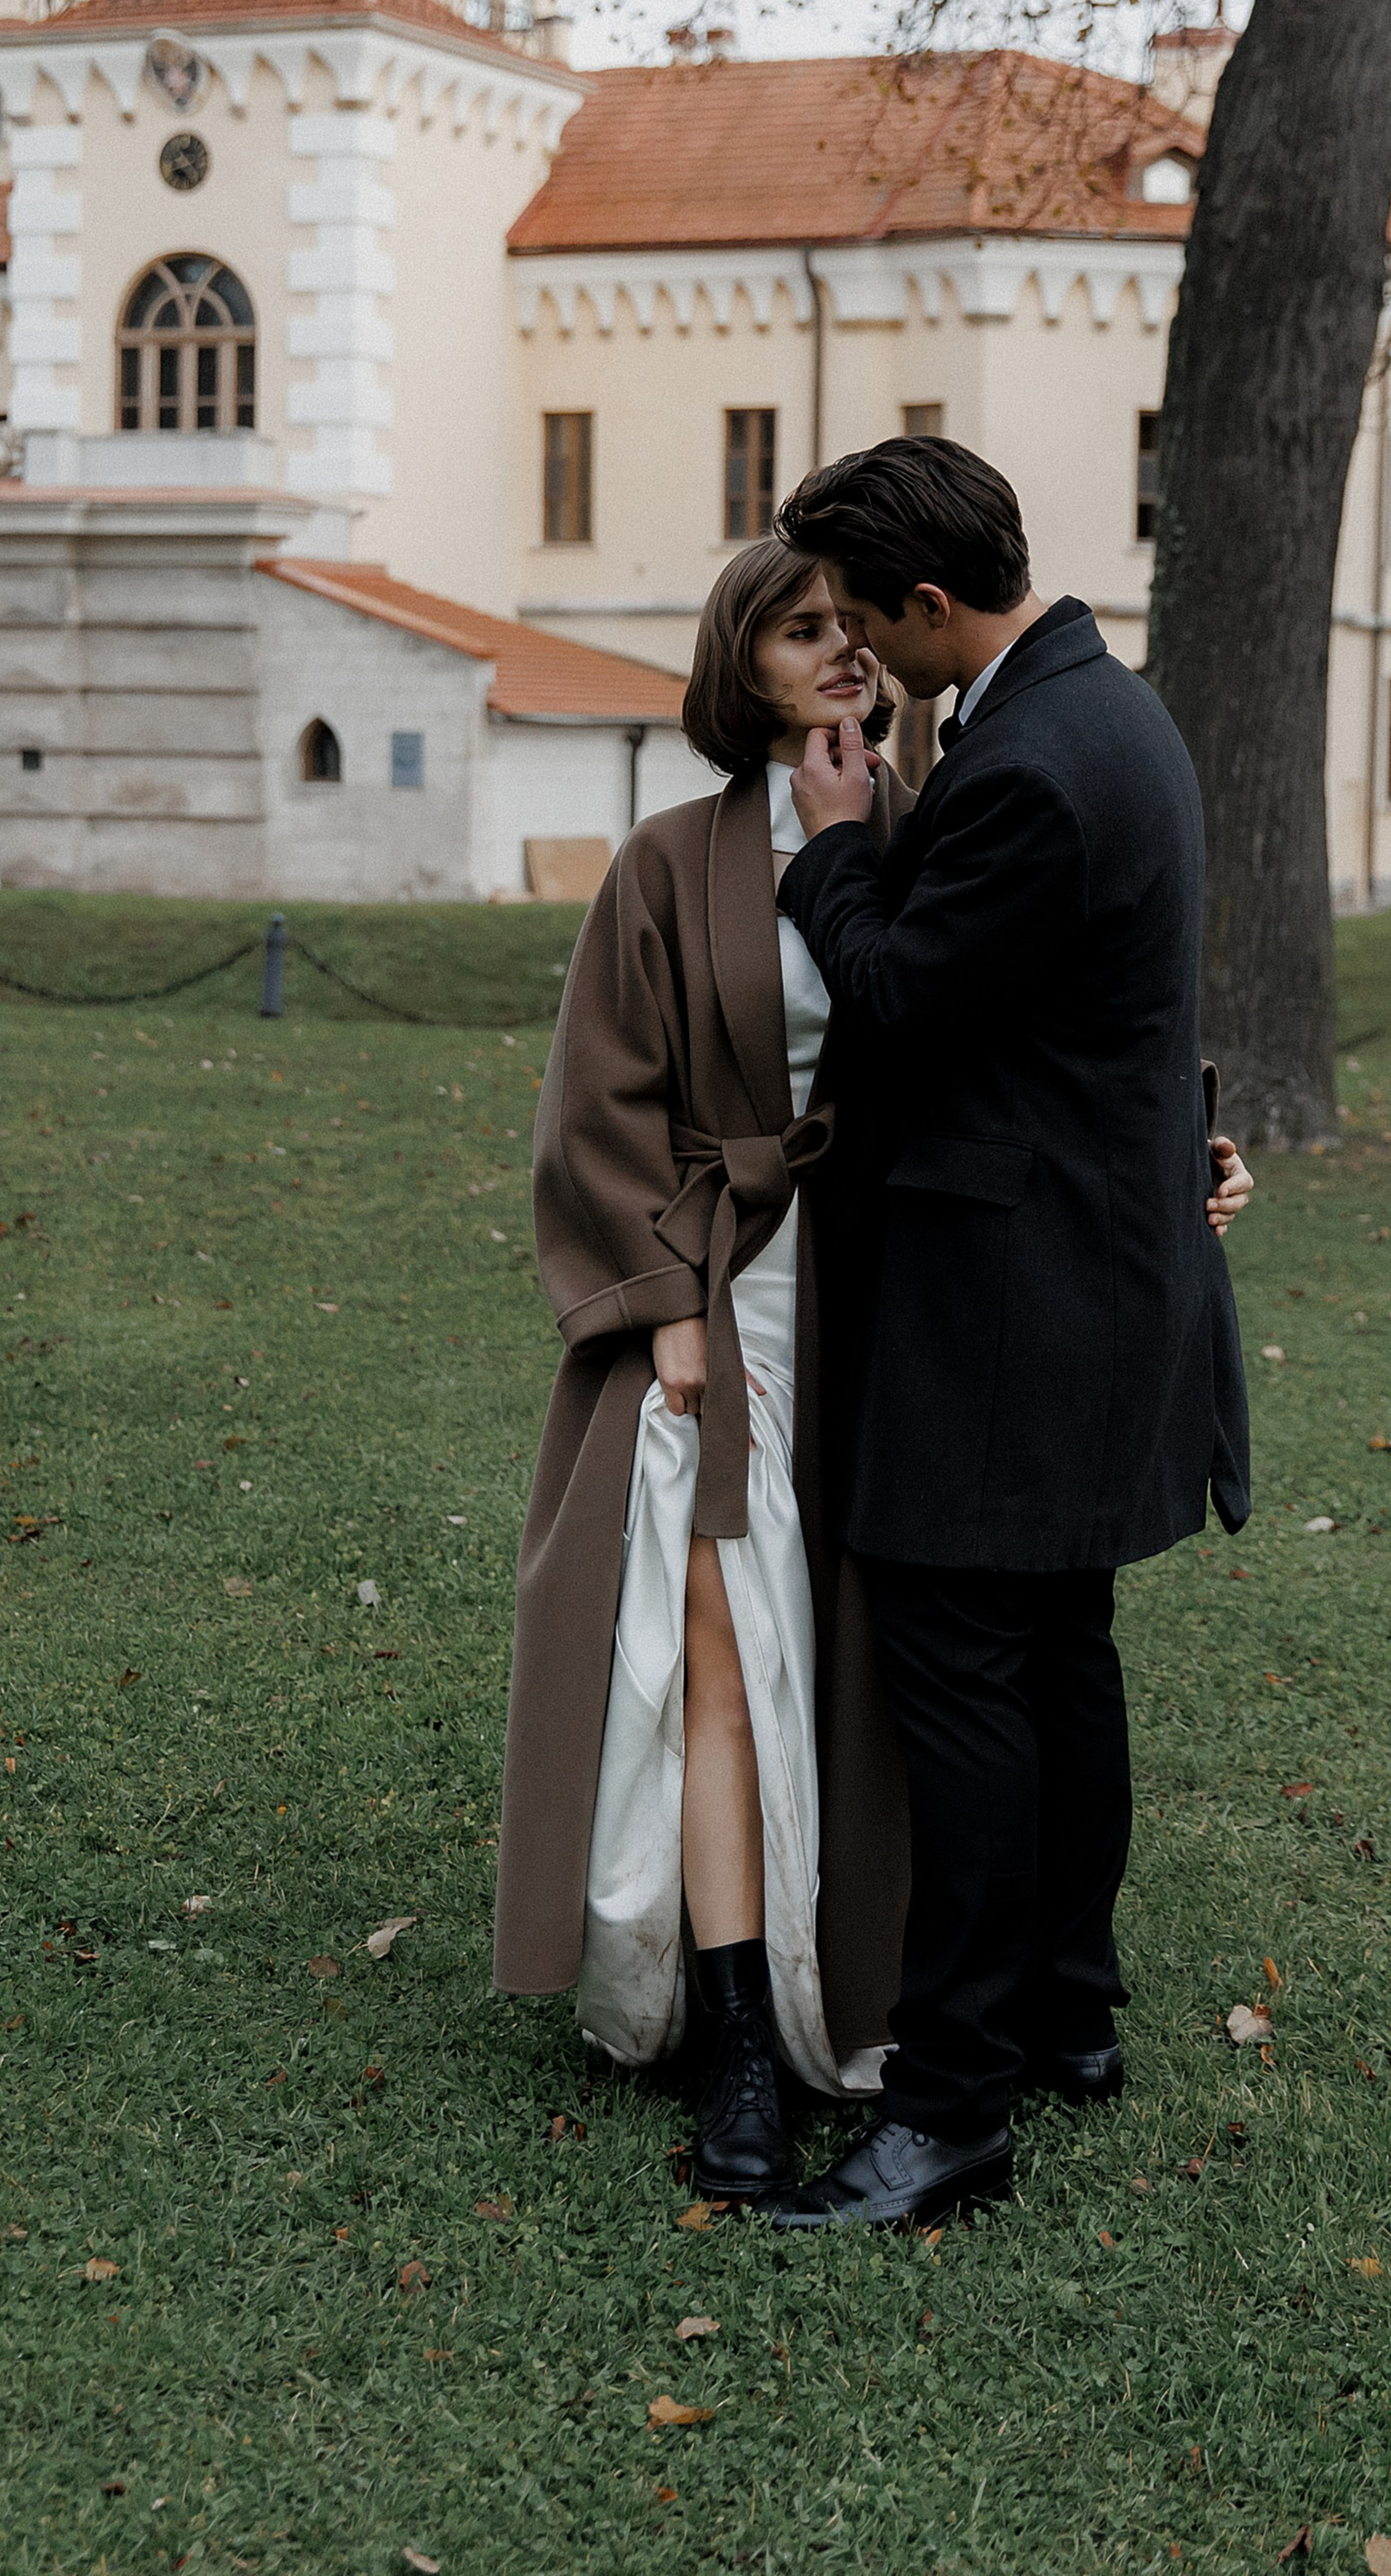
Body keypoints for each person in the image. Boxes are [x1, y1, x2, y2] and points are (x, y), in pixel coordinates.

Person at [762, 433, 1255, 2231]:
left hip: (1015, 1306)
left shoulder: (1036, 763)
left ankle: (950, 2107)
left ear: (932, 601)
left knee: (968, 1682)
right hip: (1094, 1273)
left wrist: (830, 851)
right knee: (1059, 1660)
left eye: (870, 625)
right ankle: (1067, 2015)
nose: (861, 658)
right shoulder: (1091, 706)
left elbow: (894, 993)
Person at [493, 540, 914, 2203]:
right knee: (721, 1644)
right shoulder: (666, 868)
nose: (843, 658)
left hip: (894, 1308)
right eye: (803, 633)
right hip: (724, 1304)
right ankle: (737, 2030)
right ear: (740, 665)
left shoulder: (926, 842)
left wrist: (1187, 1155)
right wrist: (667, 1296)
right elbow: (598, 1110)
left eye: (857, 632)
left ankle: (875, 1979)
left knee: (875, 1650)